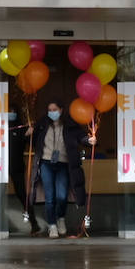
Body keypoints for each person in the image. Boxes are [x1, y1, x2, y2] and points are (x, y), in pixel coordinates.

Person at [26, 101, 95, 238]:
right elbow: (33, 143)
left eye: (54, 109)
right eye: (49, 109)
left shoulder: (69, 125)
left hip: (63, 164)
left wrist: (89, 140)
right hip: (46, 163)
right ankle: (52, 225)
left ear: (61, 110)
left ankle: (60, 218)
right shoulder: (42, 125)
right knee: (50, 197)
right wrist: (29, 134)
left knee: (62, 196)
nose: (52, 112)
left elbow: (81, 137)